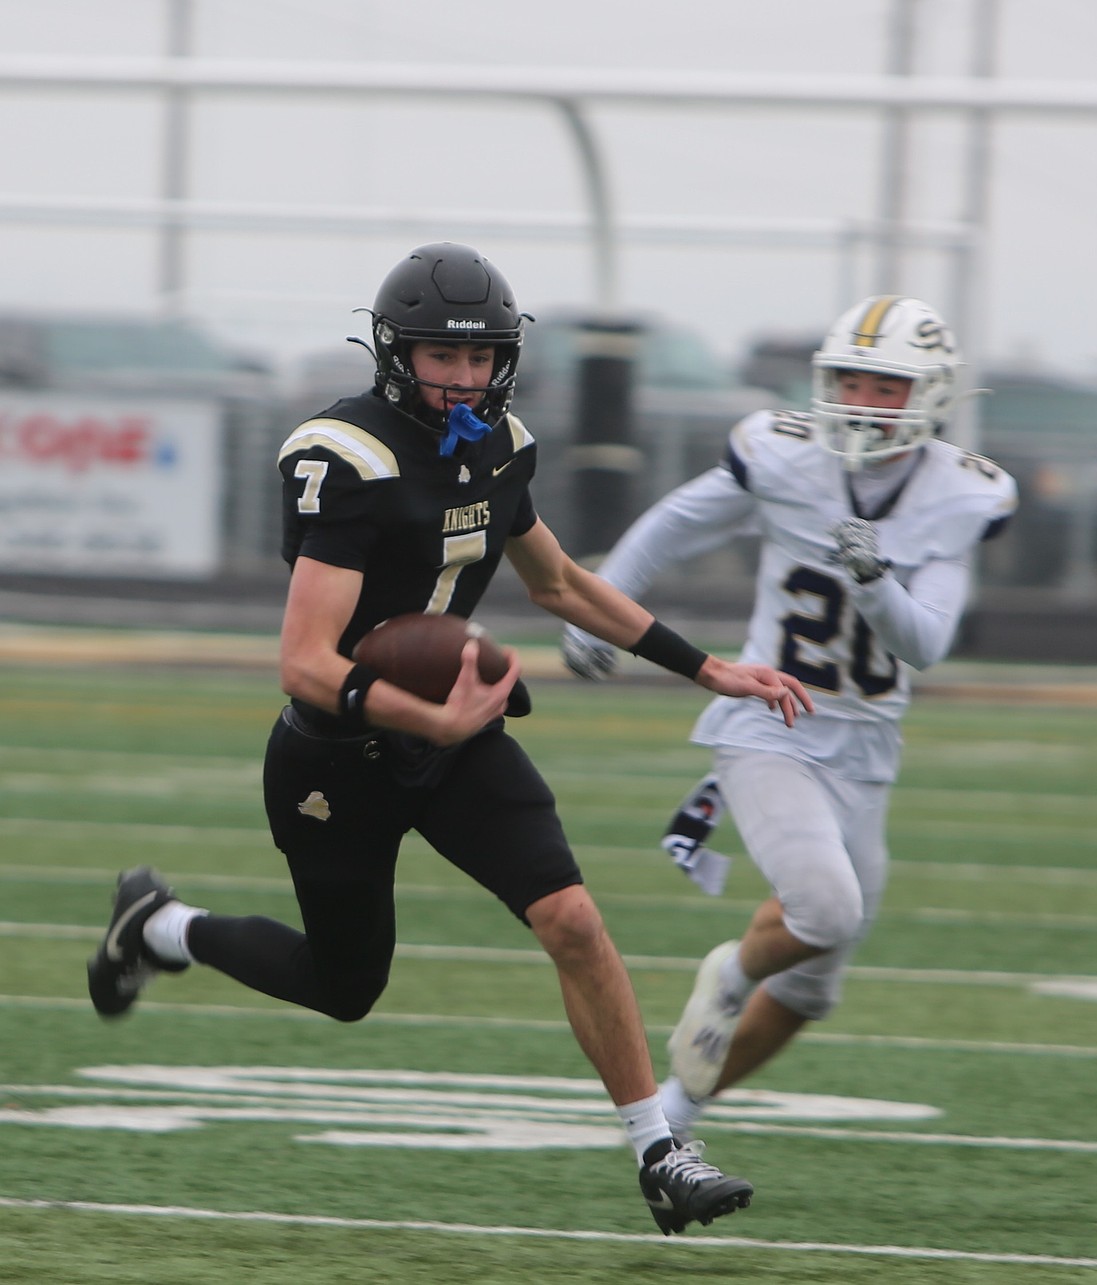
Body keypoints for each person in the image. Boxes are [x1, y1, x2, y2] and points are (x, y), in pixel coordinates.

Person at [85, 242, 814, 1236]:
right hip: (335, 756)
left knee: (573, 921)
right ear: (397, 353)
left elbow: (557, 581)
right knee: (347, 987)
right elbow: (304, 662)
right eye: (442, 358)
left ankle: (660, 1148)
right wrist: (423, 714)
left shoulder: (500, 443)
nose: (463, 378)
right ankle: (160, 925)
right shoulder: (346, 458)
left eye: (480, 360)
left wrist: (707, 665)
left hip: (456, 742)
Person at [561, 294, 1017, 1139]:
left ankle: (669, 1118)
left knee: (811, 986)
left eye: (885, 385)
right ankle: (729, 972)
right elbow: (673, 526)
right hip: (770, 720)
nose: (860, 399)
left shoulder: (959, 492)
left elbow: (926, 643)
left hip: (867, 747)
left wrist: (877, 582)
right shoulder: (785, 454)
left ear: (928, 395)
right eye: (849, 378)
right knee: (827, 910)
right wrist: (601, 607)